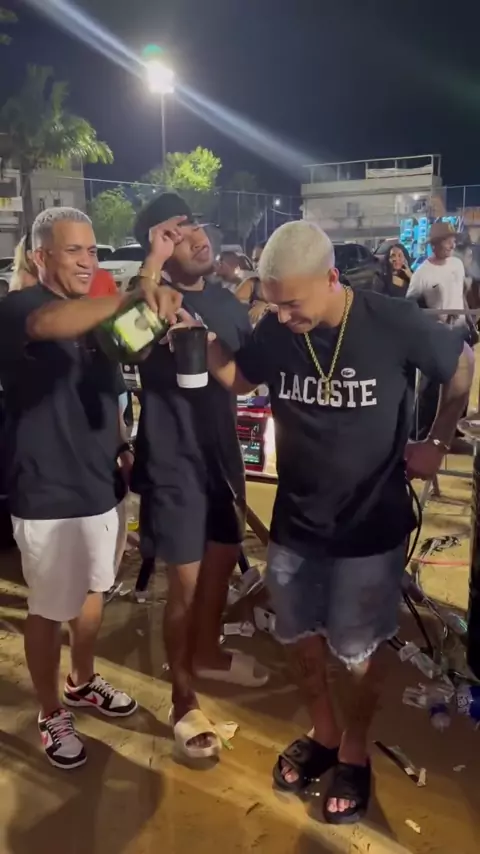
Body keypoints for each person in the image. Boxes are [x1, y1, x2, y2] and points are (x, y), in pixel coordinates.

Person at [182, 220, 472, 821]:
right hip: (296, 524)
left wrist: (438, 441)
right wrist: (201, 342)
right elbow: (242, 378)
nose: (284, 316)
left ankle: (355, 752)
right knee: (298, 638)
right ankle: (324, 732)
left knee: (359, 650)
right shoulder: (278, 328)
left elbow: (462, 364)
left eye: (293, 303)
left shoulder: (391, 320)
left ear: (331, 278)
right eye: (275, 305)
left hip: (370, 527)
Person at [0, 206, 181, 769]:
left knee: (93, 593)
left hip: (102, 484)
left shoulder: (97, 314)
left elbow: (124, 363)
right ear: (41, 256)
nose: (87, 261)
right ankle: (50, 710)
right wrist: (136, 293)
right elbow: (49, 324)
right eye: (73, 250)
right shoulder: (20, 308)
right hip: (47, 492)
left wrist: (123, 447)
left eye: (93, 251)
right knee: (48, 608)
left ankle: (81, 680)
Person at [131, 192, 269, 762]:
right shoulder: (147, 299)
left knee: (222, 561)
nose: (196, 238)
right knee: (183, 585)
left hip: (222, 457)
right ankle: (182, 698)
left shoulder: (222, 300)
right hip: (172, 460)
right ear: (158, 247)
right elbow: (121, 341)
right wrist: (152, 267)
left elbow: (247, 378)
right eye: (175, 234)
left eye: (195, 226)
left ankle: (208, 653)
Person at [407, 222, 470, 439]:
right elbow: (411, 304)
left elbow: (460, 292)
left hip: (460, 330)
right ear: (434, 244)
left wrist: (468, 318)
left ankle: (455, 430)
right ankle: (419, 433)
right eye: (447, 240)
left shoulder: (457, 264)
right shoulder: (422, 274)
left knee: (462, 382)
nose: (452, 244)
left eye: (453, 240)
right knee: (431, 385)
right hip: (437, 335)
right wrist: (435, 318)